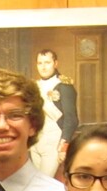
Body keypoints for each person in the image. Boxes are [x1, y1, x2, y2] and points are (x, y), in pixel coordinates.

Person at [30, 49, 78, 177]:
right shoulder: (33, 86)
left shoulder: (64, 86)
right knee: (35, 183)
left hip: (53, 141)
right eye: (40, 63)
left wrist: (64, 147)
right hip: (36, 141)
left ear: (55, 63)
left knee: (44, 184)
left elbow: (71, 119)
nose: (43, 67)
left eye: (47, 62)